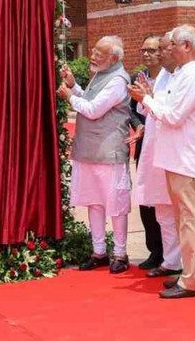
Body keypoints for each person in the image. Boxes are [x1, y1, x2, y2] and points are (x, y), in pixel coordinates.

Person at [129, 25, 195, 299]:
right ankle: (190, 272)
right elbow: (168, 110)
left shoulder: (192, 76)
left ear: (187, 46)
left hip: (185, 156)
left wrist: (146, 100)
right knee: (185, 219)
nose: (168, 50)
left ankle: (192, 279)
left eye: (171, 44)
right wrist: (150, 99)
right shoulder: (182, 75)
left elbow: (174, 116)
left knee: (190, 219)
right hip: (177, 156)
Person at [59, 36, 132, 274]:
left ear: (113, 58)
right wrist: (74, 86)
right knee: (95, 202)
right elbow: (89, 99)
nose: (93, 55)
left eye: (99, 53)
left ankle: (120, 254)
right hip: (89, 149)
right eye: (93, 51)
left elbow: (93, 110)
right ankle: (98, 251)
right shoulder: (101, 74)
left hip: (109, 151)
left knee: (116, 205)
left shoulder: (118, 80)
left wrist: (69, 97)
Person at [132, 33, 182, 277]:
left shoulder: (186, 76)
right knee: (161, 209)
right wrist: (145, 99)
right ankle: (169, 260)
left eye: (161, 48)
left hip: (174, 151)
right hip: (154, 147)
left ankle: (182, 261)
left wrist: (147, 98)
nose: (157, 53)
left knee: (179, 211)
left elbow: (171, 114)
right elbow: (147, 109)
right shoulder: (164, 76)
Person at [128, 35, 166, 270]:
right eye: (143, 50)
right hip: (144, 144)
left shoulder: (169, 77)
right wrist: (138, 125)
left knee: (165, 202)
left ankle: (172, 254)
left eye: (151, 50)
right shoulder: (137, 78)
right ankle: (155, 250)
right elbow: (130, 109)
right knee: (146, 201)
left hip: (164, 145)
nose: (146, 54)